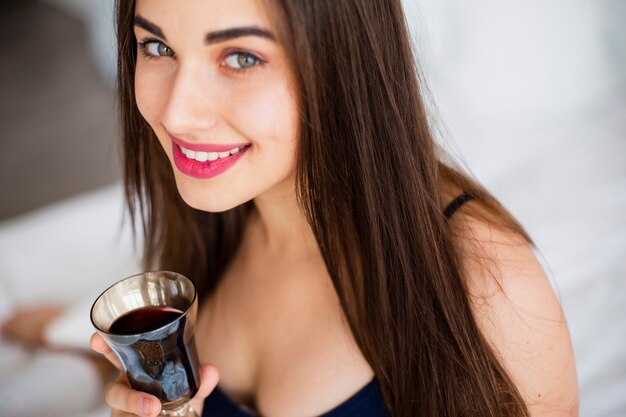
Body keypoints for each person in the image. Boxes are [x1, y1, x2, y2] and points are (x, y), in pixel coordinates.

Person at [89, 0, 579, 416]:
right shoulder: (208, 216)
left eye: (240, 58)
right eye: (157, 47)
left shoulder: (486, 287)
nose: (177, 113)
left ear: (344, 60)